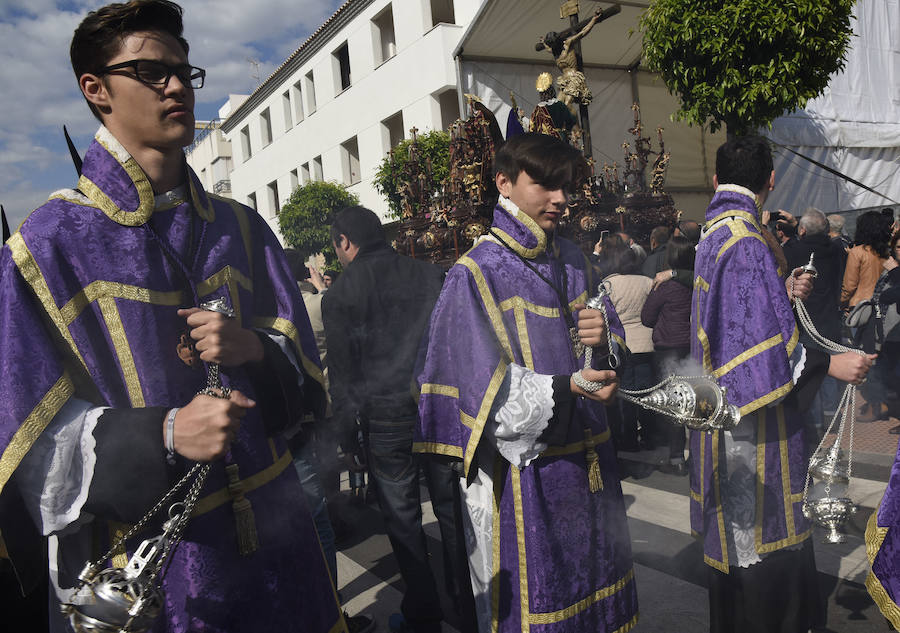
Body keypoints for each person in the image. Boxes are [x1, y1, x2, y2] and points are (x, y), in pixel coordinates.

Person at [0, 2, 344, 632]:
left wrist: (258, 350)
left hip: (278, 534)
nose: (178, 86)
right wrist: (161, 436)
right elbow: (28, 442)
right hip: (158, 561)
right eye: (153, 73)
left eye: (185, 72)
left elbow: (306, 380)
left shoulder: (243, 227)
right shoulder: (48, 246)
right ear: (95, 89)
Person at [417, 132, 637, 633]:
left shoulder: (573, 260)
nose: (560, 198)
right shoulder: (476, 273)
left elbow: (608, 348)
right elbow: (481, 394)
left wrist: (603, 348)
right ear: (504, 182)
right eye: (544, 184)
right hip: (524, 475)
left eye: (565, 186)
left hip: (590, 463)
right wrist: (572, 388)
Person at [691, 135, 874, 633]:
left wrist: (783, 290)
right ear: (771, 180)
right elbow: (755, 355)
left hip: (722, 420)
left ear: (715, 180)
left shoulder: (715, 232)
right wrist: (827, 366)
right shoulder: (747, 241)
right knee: (762, 560)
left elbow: (735, 323)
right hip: (753, 433)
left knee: (737, 552)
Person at [322, 206, 476, 633]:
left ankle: (423, 612)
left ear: (344, 242)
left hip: (385, 416)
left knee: (402, 516)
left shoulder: (340, 294)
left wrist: (347, 436)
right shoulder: (429, 275)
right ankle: (469, 604)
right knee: (451, 510)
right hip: (437, 407)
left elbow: (344, 372)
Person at [640, 235, 695, 475]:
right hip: (692, 347)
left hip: (667, 348)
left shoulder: (666, 287)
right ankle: (695, 454)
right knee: (693, 400)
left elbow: (647, 317)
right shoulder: (697, 284)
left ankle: (675, 457)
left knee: (673, 403)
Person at [601, 244, 654, 452]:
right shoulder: (648, 283)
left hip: (621, 344)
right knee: (647, 394)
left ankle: (629, 439)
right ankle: (650, 436)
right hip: (646, 342)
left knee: (625, 395)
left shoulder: (608, 284)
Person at [841, 210, 891, 309]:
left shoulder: (857, 252)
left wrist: (841, 301)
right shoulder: (888, 252)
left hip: (862, 305)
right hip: (885, 305)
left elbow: (849, 287)